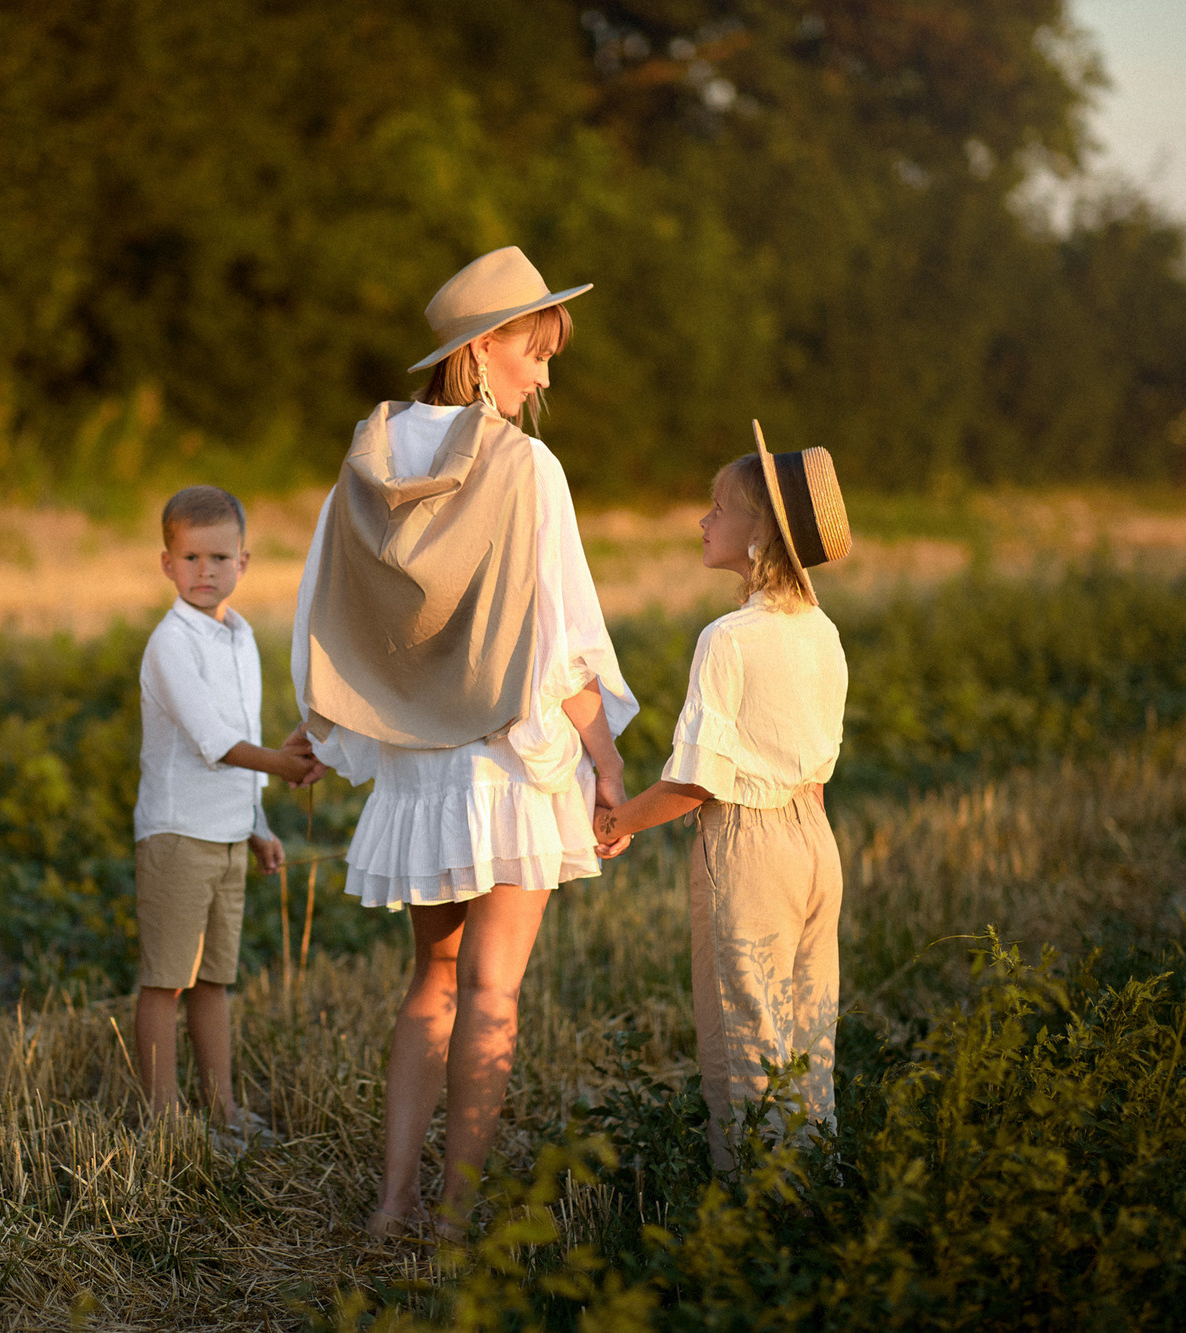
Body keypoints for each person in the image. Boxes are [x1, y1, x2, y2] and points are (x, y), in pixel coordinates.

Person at [291, 247, 638, 1234]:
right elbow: (558, 634)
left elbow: (329, 602)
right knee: (492, 992)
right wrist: (605, 760)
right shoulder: (525, 467)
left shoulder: (365, 465)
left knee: (428, 981)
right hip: (505, 763)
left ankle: (390, 1200)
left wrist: (322, 721)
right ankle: (454, 1215)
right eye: (534, 352)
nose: (543, 374)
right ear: (483, 350)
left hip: (416, 769)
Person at [594, 424, 853, 1172]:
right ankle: (813, 1191)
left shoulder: (729, 638)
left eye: (717, 507)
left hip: (748, 849)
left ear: (759, 531)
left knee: (746, 1043)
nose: (702, 520)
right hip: (814, 844)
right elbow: (816, 774)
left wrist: (619, 821)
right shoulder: (825, 632)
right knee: (809, 1040)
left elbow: (697, 780)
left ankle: (752, 1218)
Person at [134, 485, 316, 1137]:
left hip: (229, 836)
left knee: (214, 979)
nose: (204, 572)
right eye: (190, 557)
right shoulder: (170, 644)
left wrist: (260, 825)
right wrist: (283, 763)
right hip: (179, 834)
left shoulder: (239, 639)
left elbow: (245, 737)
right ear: (167, 563)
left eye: (219, 557)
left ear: (245, 561)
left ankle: (224, 1110)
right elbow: (216, 742)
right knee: (166, 981)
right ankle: (163, 1121)